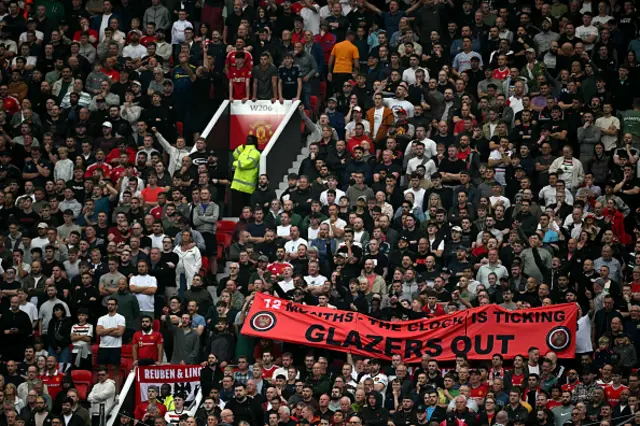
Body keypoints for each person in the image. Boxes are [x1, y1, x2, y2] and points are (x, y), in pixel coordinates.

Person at [96, 297, 126, 390]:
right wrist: (112, 328)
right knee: (101, 371)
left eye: (112, 304)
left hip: (115, 347)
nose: (110, 306)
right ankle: (101, 390)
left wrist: (105, 331)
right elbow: (98, 332)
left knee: (115, 371)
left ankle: (116, 393)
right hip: (103, 347)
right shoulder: (102, 318)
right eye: (108, 304)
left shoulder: (121, 318)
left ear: (116, 306)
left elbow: (119, 333)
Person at [231, 135, 261, 216]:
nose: (247, 140)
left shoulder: (255, 152)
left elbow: (246, 164)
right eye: (247, 139)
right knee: (237, 208)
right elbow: (235, 154)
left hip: (247, 185)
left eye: (250, 139)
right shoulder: (244, 150)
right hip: (237, 184)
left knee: (246, 208)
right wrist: (241, 147)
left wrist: (235, 163)